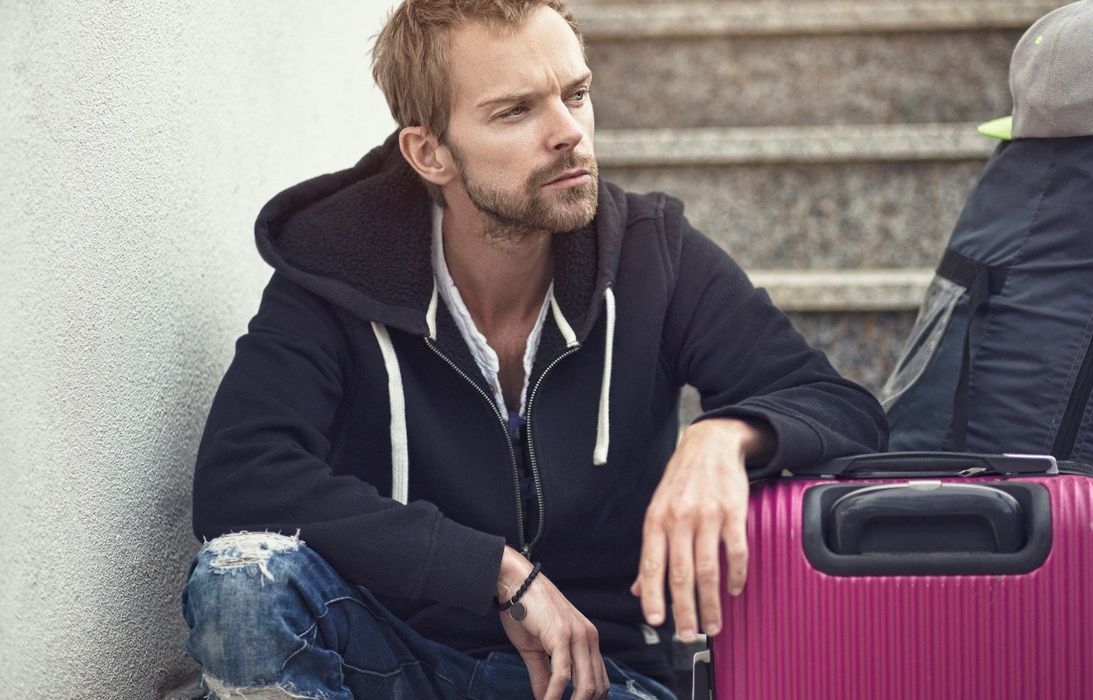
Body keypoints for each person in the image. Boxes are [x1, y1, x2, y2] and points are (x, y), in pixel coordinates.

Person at [181, 1, 887, 698]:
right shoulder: (334, 270)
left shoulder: (651, 257)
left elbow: (840, 408)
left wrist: (725, 434)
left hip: (591, 679)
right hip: (392, 655)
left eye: (575, 95)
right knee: (242, 580)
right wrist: (494, 571)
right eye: (514, 111)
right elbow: (241, 476)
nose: (567, 133)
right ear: (429, 152)